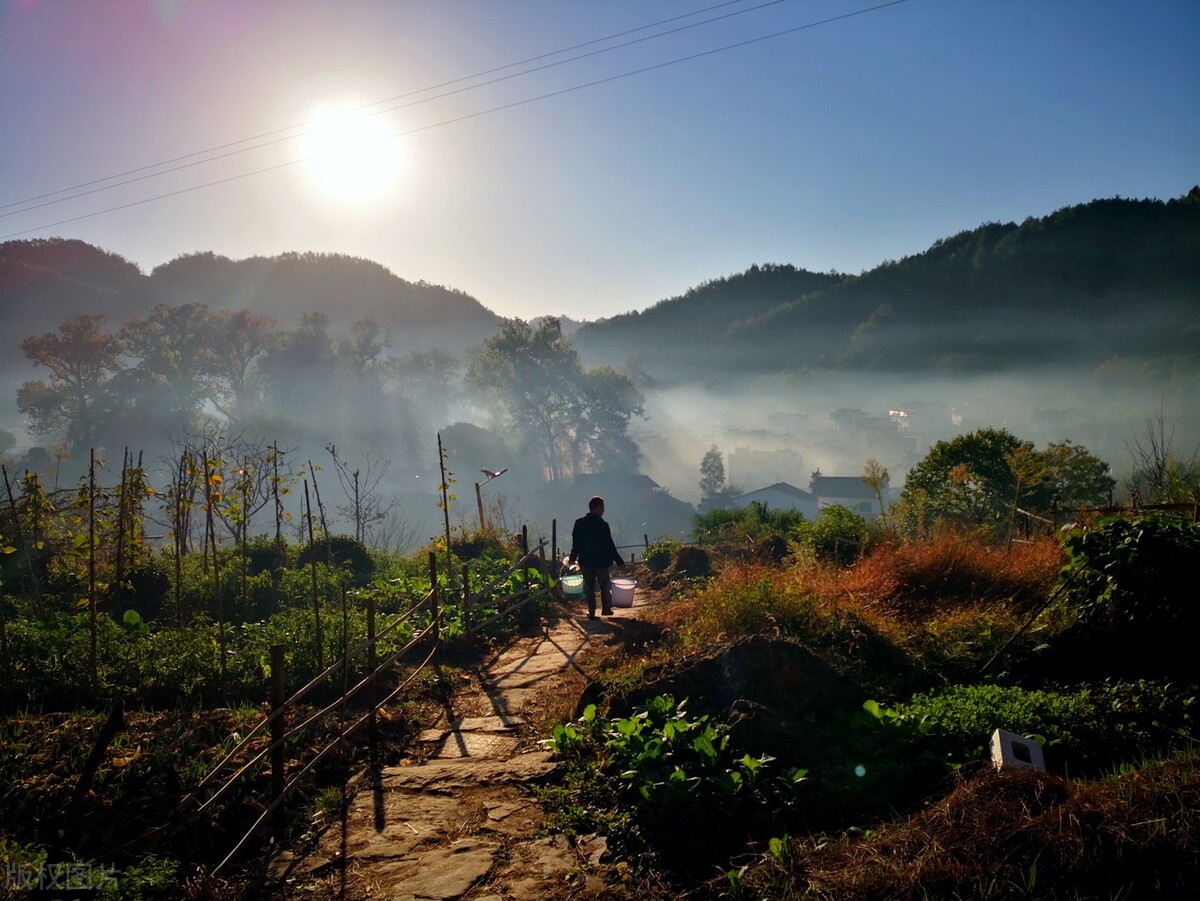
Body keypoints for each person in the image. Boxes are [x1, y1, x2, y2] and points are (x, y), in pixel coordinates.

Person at [568, 495, 624, 619]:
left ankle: (592, 610)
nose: (603, 510)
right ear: (598, 508)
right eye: (602, 507)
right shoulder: (603, 525)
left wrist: (572, 558)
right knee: (604, 584)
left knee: (589, 586)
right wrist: (619, 562)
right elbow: (610, 545)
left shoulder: (579, 523)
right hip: (601, 561)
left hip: (585, 561)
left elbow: (575, 544)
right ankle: (606, 609)